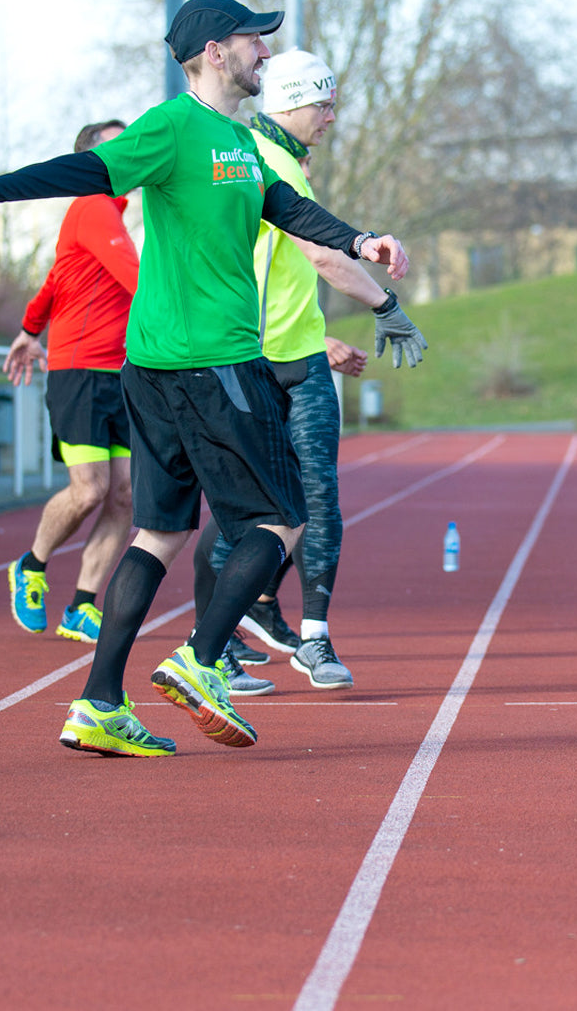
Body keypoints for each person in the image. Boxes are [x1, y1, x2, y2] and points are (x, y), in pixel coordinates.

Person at [0, 0, 410, 758]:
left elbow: (286, 207)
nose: (265, 51)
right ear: (216, 52)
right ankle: (199, 658)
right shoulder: (173, 125)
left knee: (160, 531)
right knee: (281, 517)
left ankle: (98, 703)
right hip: (209, 360)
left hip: (165, 368)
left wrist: (361, 239)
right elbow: (87, 169)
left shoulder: (239, 140)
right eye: (255, 39)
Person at [191, 48, 428, 695]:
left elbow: (296, 272)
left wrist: (321, 339)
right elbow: (319, 253)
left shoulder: (292, 161)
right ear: (292, 103)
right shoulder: (259, 158)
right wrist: (384, 304)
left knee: (319, 495)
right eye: (324, 104)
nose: (331, 116)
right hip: (249, 361)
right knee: (246, 510)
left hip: (302, 356)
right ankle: (212, 639)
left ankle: (315, 636)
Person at [3, 119, 136, 644]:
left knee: (123, 495)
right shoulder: (92, 205)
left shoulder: (111, 215)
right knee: (90, 490)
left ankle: (82, 605)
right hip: (79, 371)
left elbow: (58, 277)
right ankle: (31, 565)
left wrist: (28, 329)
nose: (131, 152)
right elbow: (137, 277)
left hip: (120, 375)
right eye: (118, 146)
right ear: (91, 162)